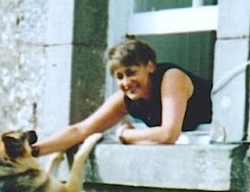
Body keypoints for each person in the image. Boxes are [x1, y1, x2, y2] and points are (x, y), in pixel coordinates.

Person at [33, 37, 213, 156]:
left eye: (131, 72)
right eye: (119, 76)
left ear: (150, 66)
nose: (126, 82)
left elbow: (169, 134)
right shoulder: (127, 97)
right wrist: (33, 151)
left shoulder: (172, 77)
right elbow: (81, 130)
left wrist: (126, 135)